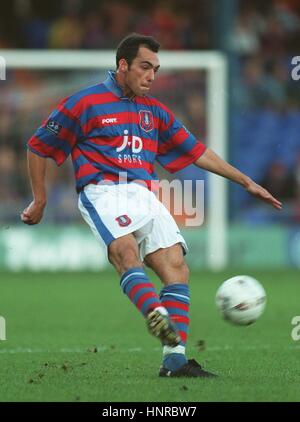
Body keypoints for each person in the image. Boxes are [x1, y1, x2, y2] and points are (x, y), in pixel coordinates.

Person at [21, 33, 282, 378]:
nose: (151, 76)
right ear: (123, 65)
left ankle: (175, 359)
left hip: (145, 193)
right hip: (103, 191)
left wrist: (246, 181)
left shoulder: (154, 113)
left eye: (156, 70)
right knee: (126, 253)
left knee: (176, 266)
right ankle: (155, 313)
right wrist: (39, 199)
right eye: (145, 67)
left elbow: (198, 151)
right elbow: (39, 146)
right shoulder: (84, 103)